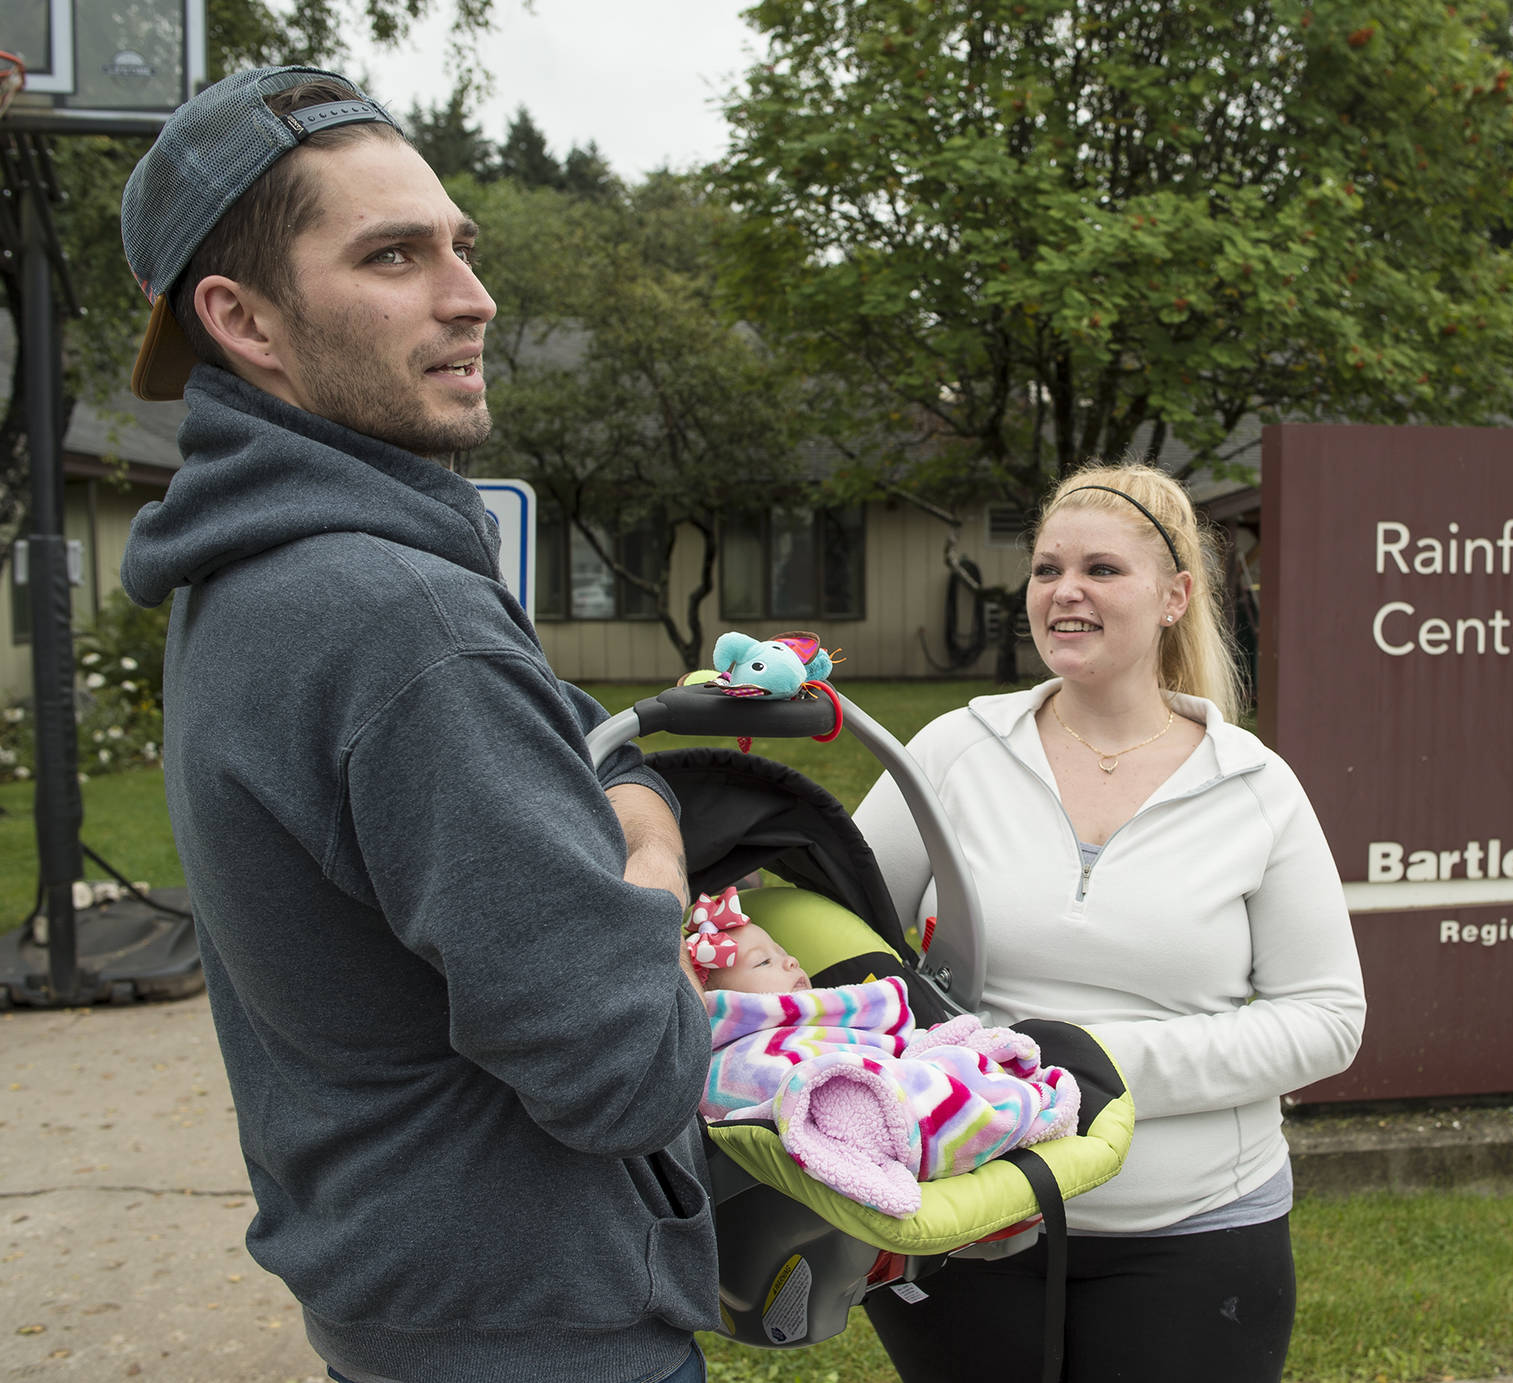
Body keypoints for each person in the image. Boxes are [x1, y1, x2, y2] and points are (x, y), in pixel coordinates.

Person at [116, 68, 716, 1383]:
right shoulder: (401, 623)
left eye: (462, 245)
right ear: (245, 320)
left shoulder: (250, 580)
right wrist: (658, 855)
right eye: (393, 255)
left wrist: (615, 800)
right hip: (541, 1329)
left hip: (404, 1303)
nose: (471, 296)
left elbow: (555, 732)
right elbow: (626, 1069)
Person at [851, 462, 1367, 1382]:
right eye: (1047, 569)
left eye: (1101, 569)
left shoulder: (1253, 786)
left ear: (1174, 597)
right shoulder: (952, 753)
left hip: (1197, 1232)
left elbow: (1327, 1019)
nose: (1065, 591)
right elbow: (842, 941)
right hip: (969, 1221)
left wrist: (1088, 1065)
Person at [688, 890, 1079, 1218]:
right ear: (721, 1000)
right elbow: (761, 1087)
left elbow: (894, 1048)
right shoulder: (732, 1060)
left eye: (782, 950)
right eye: (764, 961)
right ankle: (984, 1114)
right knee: (894, 1088)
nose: (790, 960)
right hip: (852, 1094)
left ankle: (983, 1095)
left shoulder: (832, 1019)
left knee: (949, 1054)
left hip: (891, 1070)